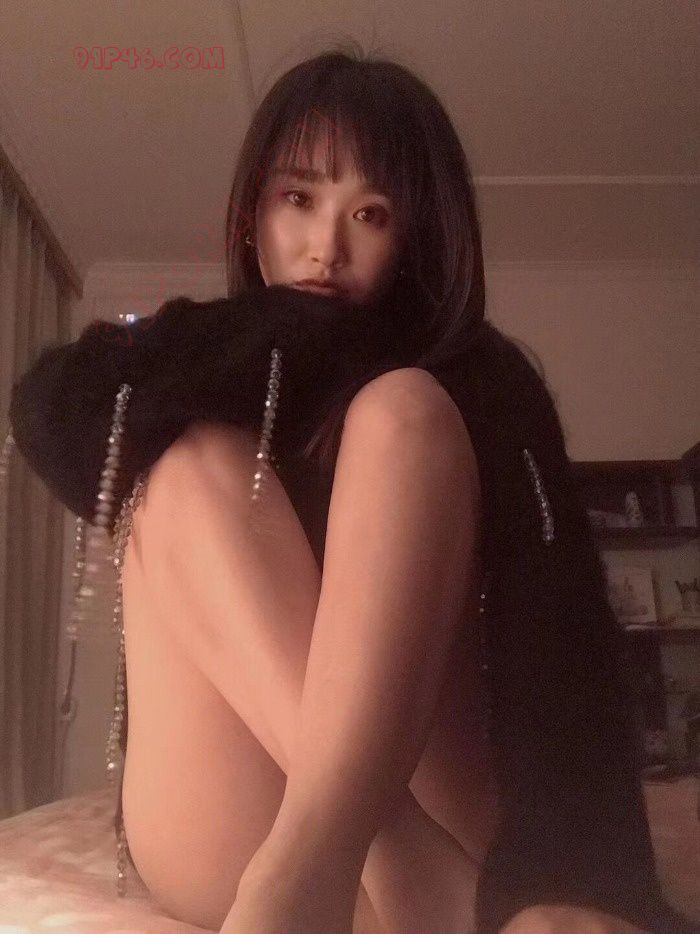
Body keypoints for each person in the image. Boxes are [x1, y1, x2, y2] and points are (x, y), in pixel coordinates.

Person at [4, 42, 695, 934]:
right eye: (298, 199)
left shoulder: (481, 379)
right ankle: (371, 862)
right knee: (186, 458)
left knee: (404, 408)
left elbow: (557, 625)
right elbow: (54, 411)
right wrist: (288, 335)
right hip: (256, 842)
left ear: (416, 238)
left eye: (370, 214)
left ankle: (327, 856)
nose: (325, 248)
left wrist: (584, 882)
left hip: (449, 812)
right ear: (252, 212)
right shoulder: (210, 359)